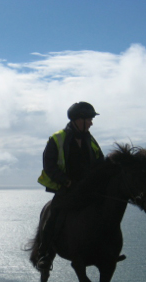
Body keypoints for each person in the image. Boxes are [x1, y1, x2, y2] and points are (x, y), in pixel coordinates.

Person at [36, 102, 104, 270]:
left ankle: (106, 251)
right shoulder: (57, 139)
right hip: (66, 188)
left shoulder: (91, 140)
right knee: (54, 214)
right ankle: (44, 254)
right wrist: (66, 181)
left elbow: (100, 163)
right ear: (77, 120)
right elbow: (49, 166)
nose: (91, 123)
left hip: (88, 190)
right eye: (88, 119)